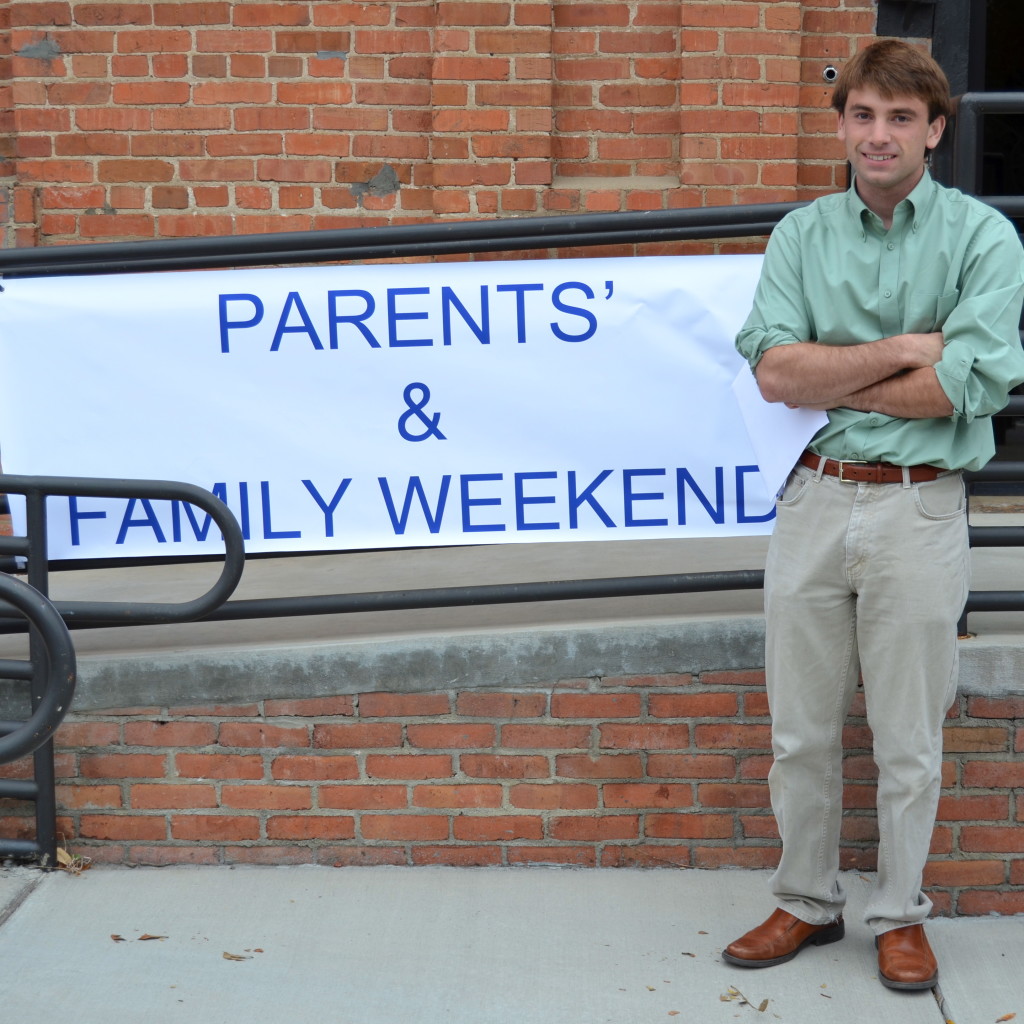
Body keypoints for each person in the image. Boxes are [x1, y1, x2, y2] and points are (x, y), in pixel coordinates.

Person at [724, 38, 1024, 992]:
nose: (879, 134)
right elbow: (775, 374)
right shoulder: (802, 237)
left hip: (917, 512)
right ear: (843, 124)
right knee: (800, 731)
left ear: (935, 130)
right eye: (863, 114)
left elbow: (968, 385)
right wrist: (900, 349)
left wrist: (837, 372)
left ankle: (899, 913)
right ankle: (805, 902)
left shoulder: (983, 240)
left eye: (901, 117)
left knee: (908, 738)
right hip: (813, 500)